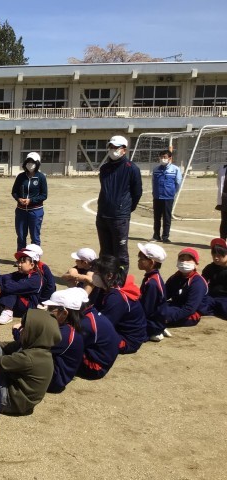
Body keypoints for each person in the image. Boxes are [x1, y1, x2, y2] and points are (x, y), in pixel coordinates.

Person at [0, 309, 61, 416]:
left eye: (25, 328)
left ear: (35, 332)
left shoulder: (31, 357)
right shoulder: (34, 345)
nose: (20, 330)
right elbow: (4, 346)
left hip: (12, 402)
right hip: (13, 387)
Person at [96, 135, 142, 271]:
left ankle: (120, 280)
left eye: (116, 147)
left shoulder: (132, 168)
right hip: (103, 215)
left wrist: (126, 208)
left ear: (124, 150)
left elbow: (137, 192)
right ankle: (105, 278)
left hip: (119, 217)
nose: (113, 150)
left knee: (120, 254)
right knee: (105, 252)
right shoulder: (104, 168)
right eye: (111, 147)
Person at [92, 255, 147, 354]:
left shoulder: (116, 298)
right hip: (118, 331)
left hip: (128, 341)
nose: (93, 275)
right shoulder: (105, 288)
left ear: (109, 275)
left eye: (97, 273)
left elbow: (103, 325)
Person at [42, 289, 85, 394]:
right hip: (51, 374)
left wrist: (18, 331)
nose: (47, 312)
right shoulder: (66, 327)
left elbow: (32, 345)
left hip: (53, 381)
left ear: (64, 313)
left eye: (51, 309)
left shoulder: (65, 334)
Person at [156, 248, 208, 328]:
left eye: (188, 260)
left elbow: (190, 309)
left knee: (160, 315)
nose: (184, 262)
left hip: (191, 314)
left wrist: (169, 319)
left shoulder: (198, 282)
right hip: (175, 305)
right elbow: (164, 294)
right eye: (182, 259)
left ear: (196, 264)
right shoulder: (175, 277)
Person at [0, 249, 43, 325]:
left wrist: (1, 288)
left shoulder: (36, 279)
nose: (19, 265)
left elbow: (16, 287)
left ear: (32, 265)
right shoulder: (20, 273)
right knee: (8, 283)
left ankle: (8, 312)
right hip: (17, 304)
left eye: (22, 262)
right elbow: (0, 277)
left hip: (27, 308)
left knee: (12, 288)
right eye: (19, 262)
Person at [11, 152, 48, 251]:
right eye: (28, 162)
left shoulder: (41, 177)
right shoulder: (21, 177)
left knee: (35, 237)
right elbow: (14, 192)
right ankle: (21, 256)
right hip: (21, 211)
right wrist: (18, 199)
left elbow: (44, 195)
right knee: (21, 236)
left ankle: (35, 257)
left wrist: (31, 200)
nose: (30, 164)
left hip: (35, 211)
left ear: (37, 163)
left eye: (33, 162)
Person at [78, 298, 119, 380]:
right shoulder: (93, 313)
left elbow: (70, 344)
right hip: (104, 361)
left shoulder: (86, 324)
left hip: (95, 368)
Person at [136, 243, 170, 342]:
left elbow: (147, 309)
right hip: (154, 320)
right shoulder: (151, 277)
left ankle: (155, 332)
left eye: (141, 258)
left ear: (151, 262)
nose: (138, 261)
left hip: (152, 323)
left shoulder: (152, 283)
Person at [151, 149, 182, 243]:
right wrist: (154, 193)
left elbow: (178, 183)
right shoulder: (156, 169)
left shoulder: (175, 169)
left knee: (167, 218)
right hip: (157, 197)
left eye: (164, 157)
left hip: (168, 197)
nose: (162, 159)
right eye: (161, 157)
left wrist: (172, 192)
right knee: (157, 218)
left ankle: (165, 236)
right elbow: (153, 182)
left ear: (170, 158)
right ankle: (156, 236)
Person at [201, 238, 227, 319]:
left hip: (225, 298)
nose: (216, 258)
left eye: (219, 255)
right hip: (211, 297)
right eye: (214, 255)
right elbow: (202, 283)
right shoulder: (210, 268)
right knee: (198, 307)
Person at [216, 163, 227, 239]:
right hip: (224, 197)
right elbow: (218, 183)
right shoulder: (222, 169)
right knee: (224, 221)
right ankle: (222, 240)